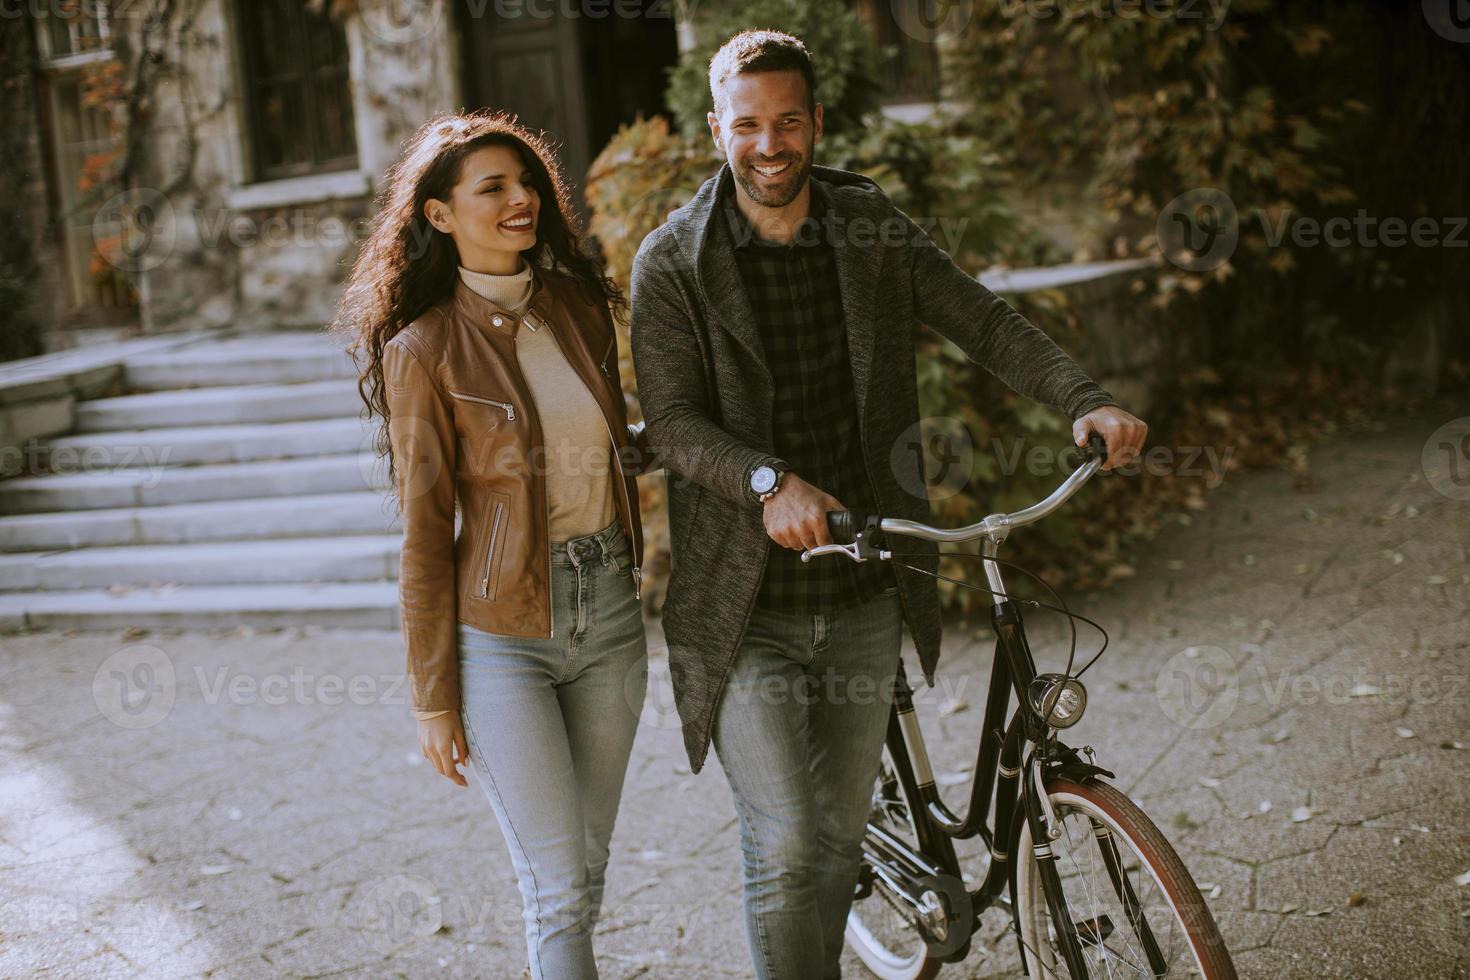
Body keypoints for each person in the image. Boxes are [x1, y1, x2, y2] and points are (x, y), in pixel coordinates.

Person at [629, 30, 1148, 980]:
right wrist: (765, 483)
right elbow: (669, 422)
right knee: (787, 844)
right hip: (746, 604)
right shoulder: (673, 263)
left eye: (790, 120)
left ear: (817, 121)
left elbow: (980, 318)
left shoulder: (868, 229)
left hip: (866, 580)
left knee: (831, 842)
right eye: (748, 125)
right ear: (717, 132)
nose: (771, 144)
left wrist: (1085, 399)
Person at [335, 110, 653, 980]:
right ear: (439, 214)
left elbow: (613, 443)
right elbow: (425, 536)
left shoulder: (579, 308)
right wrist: (434, 698)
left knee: (585, 869)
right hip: (504, 635)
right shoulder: (425, 349)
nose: (523, 200)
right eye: (494, 188)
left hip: (613, 614)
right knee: (554, 883)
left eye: (527, 183)